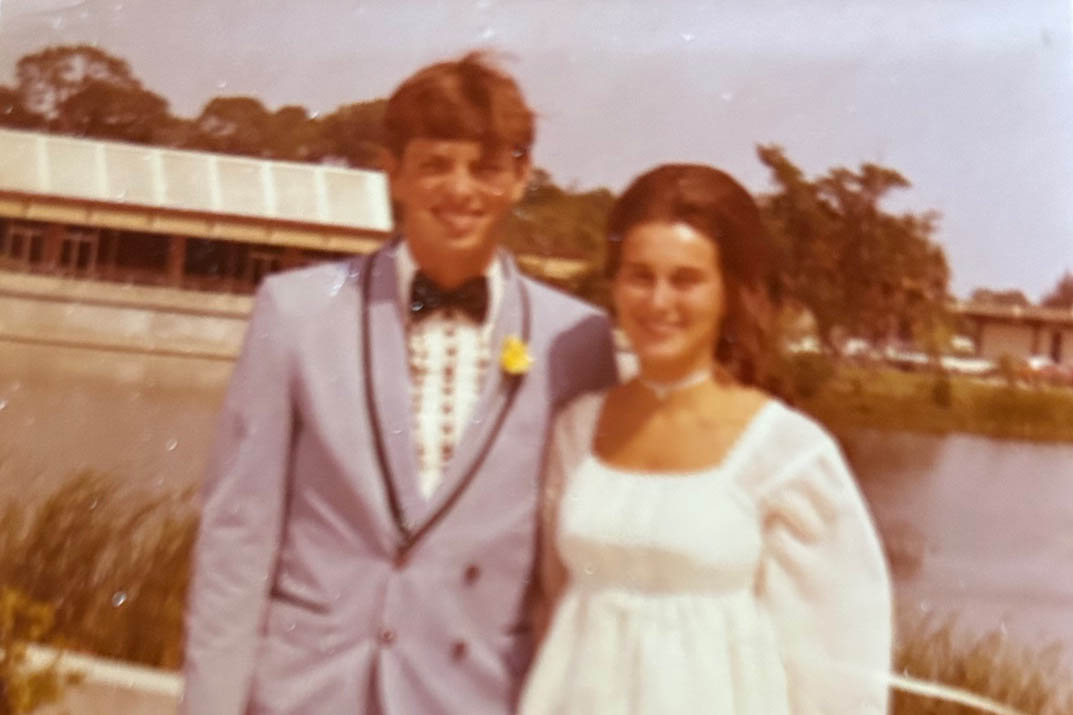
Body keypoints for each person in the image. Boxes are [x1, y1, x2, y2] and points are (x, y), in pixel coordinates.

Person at [180, 52, 618, 715]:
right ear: (393, 171)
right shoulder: (295, 312)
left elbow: (577, 564)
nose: (460, 189)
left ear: (521, 176)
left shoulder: (577, 342)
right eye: (435, 164)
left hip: (475, 697)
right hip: (304, 695)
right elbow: (235, 542)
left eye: (485, 167)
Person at [519, 164, 893, 714]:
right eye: (639, 276)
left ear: (729, 293)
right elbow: (554, 600)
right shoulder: (577, 431)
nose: (658, 301)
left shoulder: (786, 454)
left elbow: (837, 662)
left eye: (686, 279)